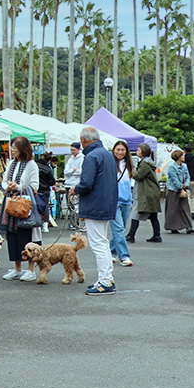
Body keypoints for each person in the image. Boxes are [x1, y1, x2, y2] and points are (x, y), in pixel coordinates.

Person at [68, 126, 118, 295]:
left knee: (98, 245)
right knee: (102, 243)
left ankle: (105, 281)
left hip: (94, 205)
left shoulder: (91, 156)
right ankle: (106, 278)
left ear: (83, 140)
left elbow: (87, 183)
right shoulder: (106, 154)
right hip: (106, 203)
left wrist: (76, 188)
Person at [0, 136, 40, 282]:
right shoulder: (11, 163)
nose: (12, 150)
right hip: (11, 204)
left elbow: (35, 186)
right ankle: (17, 269)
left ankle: (31, 269)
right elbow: (3, 182)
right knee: (13, 236)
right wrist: (8, 186)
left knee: (27, 235)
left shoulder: (31, 165)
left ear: (22, 149)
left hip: (25, 205)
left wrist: (17, 187)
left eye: (14, 148)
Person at [128, 143, 162, 243]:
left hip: (145, 192)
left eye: (139, 150)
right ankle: (157, 235)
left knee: (136, 213)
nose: (137, 152)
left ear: (144, 152)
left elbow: (138, 176)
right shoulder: (149, 162)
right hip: (151, 191)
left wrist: (131, 171)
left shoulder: (144, 164)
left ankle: (131, 235)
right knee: (153, 215)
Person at [110, 140, 134, 267]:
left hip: (126, 200)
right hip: (114, 201)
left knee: (121, 229)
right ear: (113, 150)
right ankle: (124, 256)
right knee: (119, 229)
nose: (120, 152)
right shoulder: (110, 163)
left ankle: (112, 252)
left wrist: (131, 200)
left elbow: (131, 183)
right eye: (118, 149)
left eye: (122, 150)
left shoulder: (129, 164)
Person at [165, 149, 194, 234]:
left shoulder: (184, 166)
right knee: (173, 209)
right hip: (174, 190)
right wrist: (181, 188)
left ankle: (189, 227)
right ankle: (173, 227)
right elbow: (174, 180)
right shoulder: (172, 167)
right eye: (182, 155)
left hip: (183, 188)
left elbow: (188, 176)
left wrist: (186, 185)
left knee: (185, 208)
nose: (184, 157)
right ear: (178, 157)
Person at [64, 142, 84, 230]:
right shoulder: (70, 159)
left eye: (74, 150)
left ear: (79, 149)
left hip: (76, 184)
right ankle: (72, 223)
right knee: (70, 205)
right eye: (71, 149)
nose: (72, 151)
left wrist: (71, 172)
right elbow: (66, 172)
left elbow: (80, 172)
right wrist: (72, 170)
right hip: (68, 184)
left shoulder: (82, 158)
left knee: (78, 204)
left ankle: (79, 223)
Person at [37, 152, 56, 229]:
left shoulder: (34, 165)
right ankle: (45, 224)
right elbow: (52, 181)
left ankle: (37, 223)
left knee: (35, 206)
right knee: (45, 206)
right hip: (45, 190)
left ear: (42, 157)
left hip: (35, 189)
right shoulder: (48, 169)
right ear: (48, 160)